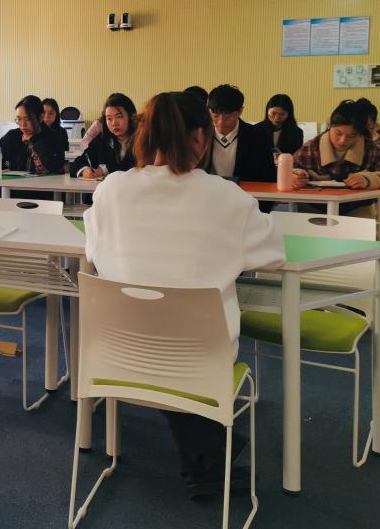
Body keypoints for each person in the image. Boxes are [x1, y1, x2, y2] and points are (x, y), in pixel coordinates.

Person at [83, 90, 285, 498]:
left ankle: (207, 459)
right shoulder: (226, 197)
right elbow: (273, 256)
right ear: (199, 137)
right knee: (187, 334)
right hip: (198, 356)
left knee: (162, 323)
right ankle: (210, 459)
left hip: (119, 352)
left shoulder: (111, 190)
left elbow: (93, 252)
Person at [292, 99, 380, 217]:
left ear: (361, 133)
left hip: (357, 207)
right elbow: (291, 170)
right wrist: (296, 175)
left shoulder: (370, 149)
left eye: (352, 135)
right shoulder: (311, 147)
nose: (343, 140)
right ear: (329, 126)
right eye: (338, 133)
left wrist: (367, 179)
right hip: (314, 207)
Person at [0, 95, 64, 175]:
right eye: (19, 119)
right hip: (11, 185)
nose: (23, 124)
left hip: (43, 185)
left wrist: (33, 140)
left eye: (28, 119)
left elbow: (54, 167)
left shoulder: (54, 137)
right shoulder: (12, 136)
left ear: (40, 118)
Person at [205, 84, 275, 182]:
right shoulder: (201, 135)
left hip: (246, 190)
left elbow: (269, 176)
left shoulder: (257, 137)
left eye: (228, 117)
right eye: (215, 116)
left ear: (240, 111)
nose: (221, 122)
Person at [70, 93, 138, 180]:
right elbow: (77, 162)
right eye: (109, 118)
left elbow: (137, 167)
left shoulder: (142, 139)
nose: (114, 123)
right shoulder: (102, 139)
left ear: (131, 117)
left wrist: (106, 169)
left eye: (119, 117)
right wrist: (84, 170)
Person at [42, 97, 71, 162]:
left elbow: (64, 154)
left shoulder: (62, 132)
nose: (46, 116)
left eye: (50, 113)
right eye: (44, 112)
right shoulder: (35, 131)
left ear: (56, 115)